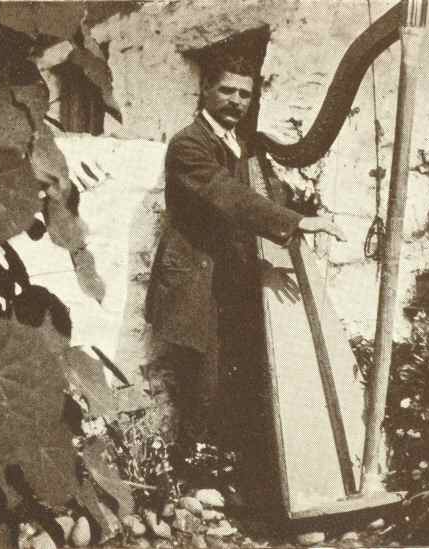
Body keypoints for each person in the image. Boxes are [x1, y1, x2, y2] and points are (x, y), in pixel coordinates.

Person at [145, 55, 345, 468]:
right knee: (202, 380)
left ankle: (222, 470)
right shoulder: (189, 144)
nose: (236, 100)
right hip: (194, 278)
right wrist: (295, 221)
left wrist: (264, 261)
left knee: (232, 377)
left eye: (245, 94)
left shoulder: (240, 145)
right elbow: (227, 195)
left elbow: (241, 206)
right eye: (227, 90)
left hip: (229, 275)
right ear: (204, 90)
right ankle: (189, 477)